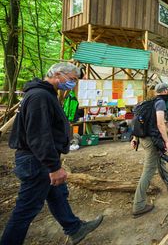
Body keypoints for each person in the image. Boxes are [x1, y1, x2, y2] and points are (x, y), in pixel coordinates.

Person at [1, 62, 103, 245]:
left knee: (57, 194)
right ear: (58, 74)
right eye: (71, 79)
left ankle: (75, 228)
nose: (73, 84)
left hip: (41, 159)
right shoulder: (40, 96)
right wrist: (53, 167)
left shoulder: (46, 94)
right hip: (36, 161)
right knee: (26, 208)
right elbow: (39, 135)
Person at [131, 83, 168, 217]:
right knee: (148, 170)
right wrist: (166, 140)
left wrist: (135, 138)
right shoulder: (160, 103)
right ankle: (138, 205)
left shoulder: (147, 103)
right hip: (151, 140)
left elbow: (140, 121)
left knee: (160, 160)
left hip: (144, 138)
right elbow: (160, 123)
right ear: (164, 91)